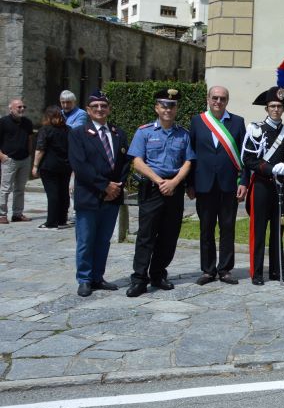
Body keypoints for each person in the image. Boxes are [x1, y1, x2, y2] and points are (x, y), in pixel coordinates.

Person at [126, 89, 195, 297]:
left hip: (173, 189)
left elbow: (188, 161)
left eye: (172, 106)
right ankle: (139, 278)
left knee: (169, 235)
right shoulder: (144, 132)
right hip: (152, 189)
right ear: (156, 107)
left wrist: (173, 182)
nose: (168, 109)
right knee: (146, 235)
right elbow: (137, 160)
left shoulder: (184, 134)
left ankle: (158, 274)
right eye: (164, 105)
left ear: (177, 109)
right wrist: (159, 181)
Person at [67, 91, 130, 297]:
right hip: (89, 196)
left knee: (103, 240)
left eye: (103, 106)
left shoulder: (118, 133)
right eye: (95, 107)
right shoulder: (78, 133)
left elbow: (125, 163)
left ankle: (97, 276)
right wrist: (105, 186)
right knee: (85, 240)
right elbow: (80, 165)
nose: (100, 110)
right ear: (88, 110)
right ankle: (84, 279)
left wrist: (117, 186)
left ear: (109, 109)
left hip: (112, 197)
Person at [187, 85, 247, 286]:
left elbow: (244, 156)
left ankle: (225, 269)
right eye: (215, 98)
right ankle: (208, 270)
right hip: (204, 184)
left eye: (222, 98)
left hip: (229, 184)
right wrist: (190, 183)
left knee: (227, 228)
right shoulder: (197, 121)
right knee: (206, 229)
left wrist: (244, 182)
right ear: (208, 99)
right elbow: (190, 154)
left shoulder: (238, 122)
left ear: (227, 101)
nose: (218, 102)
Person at [243, 82, 284, 286]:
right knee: (258, 230)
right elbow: (248, 159)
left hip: (281, 188)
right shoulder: (256, 130)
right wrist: (269, 169)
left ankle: (277, 270)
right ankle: (257, 272)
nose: (276, 109)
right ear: (267, 108)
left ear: (283, 109)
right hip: (261, 186)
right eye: (272, 106)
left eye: (279, 106)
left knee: (278, 230)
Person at [32, 106, 72, 229]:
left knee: (52, 193)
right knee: (64, 192)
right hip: (65, 165)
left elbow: (40, 149)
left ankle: (51, 221)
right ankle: (62, 219)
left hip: (49, 166)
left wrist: (35, 166)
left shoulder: (46, 130)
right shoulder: (68, 129)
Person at [0, 98, 33, 224]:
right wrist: (2, 156)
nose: (22, 109)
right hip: (9, 159)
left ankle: (17, 214)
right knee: (5, 188)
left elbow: (30, 138)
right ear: (11, 108)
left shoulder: (27, 122)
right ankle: (2, 215)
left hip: (24, 159)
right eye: (19, 107)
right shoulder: (3, 122)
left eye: (23, 107)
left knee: (20, 188)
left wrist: (29, 154)